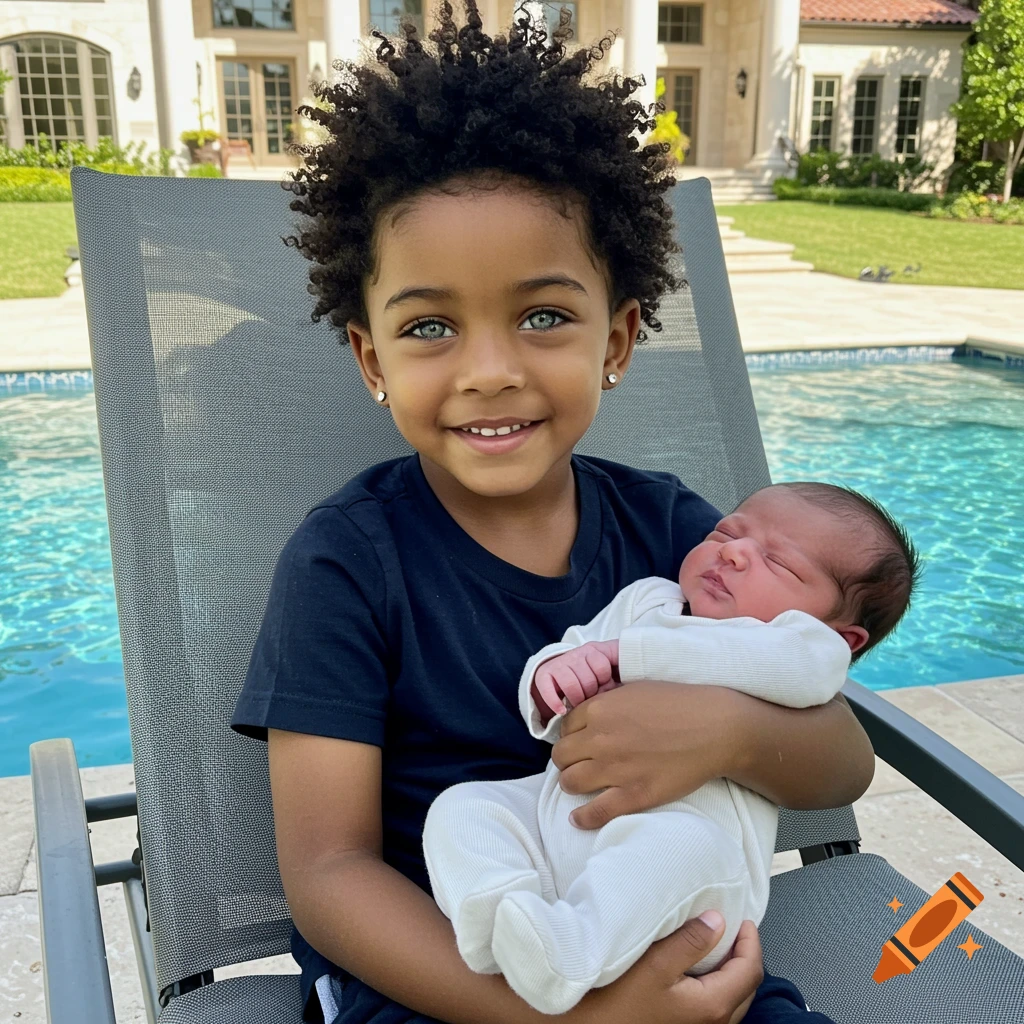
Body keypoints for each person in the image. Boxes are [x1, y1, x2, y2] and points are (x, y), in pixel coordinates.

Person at [230, 2, 880, 1022]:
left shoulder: (679, 534)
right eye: (431, 325)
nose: (490, 371)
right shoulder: (346, 562)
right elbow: (328, 870)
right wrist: (576, 1020)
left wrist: (726, 731)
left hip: (668, 950)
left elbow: (842, 760)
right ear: (372, 360)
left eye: (543, 316)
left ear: (615, 341)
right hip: (439, 975)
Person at [423, 482, 919, 1015]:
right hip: (561, 832)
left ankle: (567, 955)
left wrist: (624, 657)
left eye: (779, 563)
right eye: (726, 532)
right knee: (467, 806)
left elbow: (800, 673)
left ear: (843, 636)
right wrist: (550, 680)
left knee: (680, 845)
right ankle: (499, 917)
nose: (732, 551)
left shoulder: (804, 648)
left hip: (687, 891)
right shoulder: (647, 599)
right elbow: (572, 648)